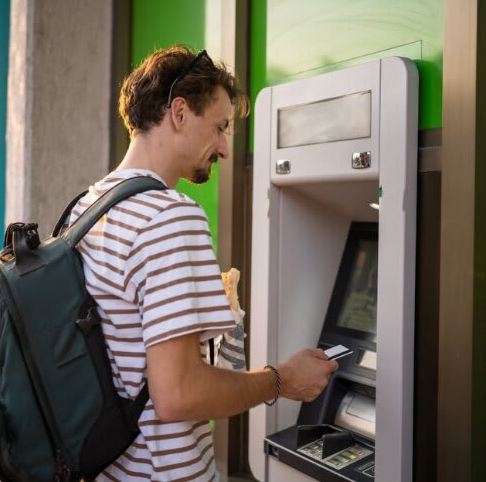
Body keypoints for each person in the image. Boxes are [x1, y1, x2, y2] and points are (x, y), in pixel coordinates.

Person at [61, 45, 338, 481]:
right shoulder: (170, 216)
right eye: (220, 127)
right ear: (179, 112)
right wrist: (282, 379)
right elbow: (178, 395)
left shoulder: (83, 209)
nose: (225, 149)